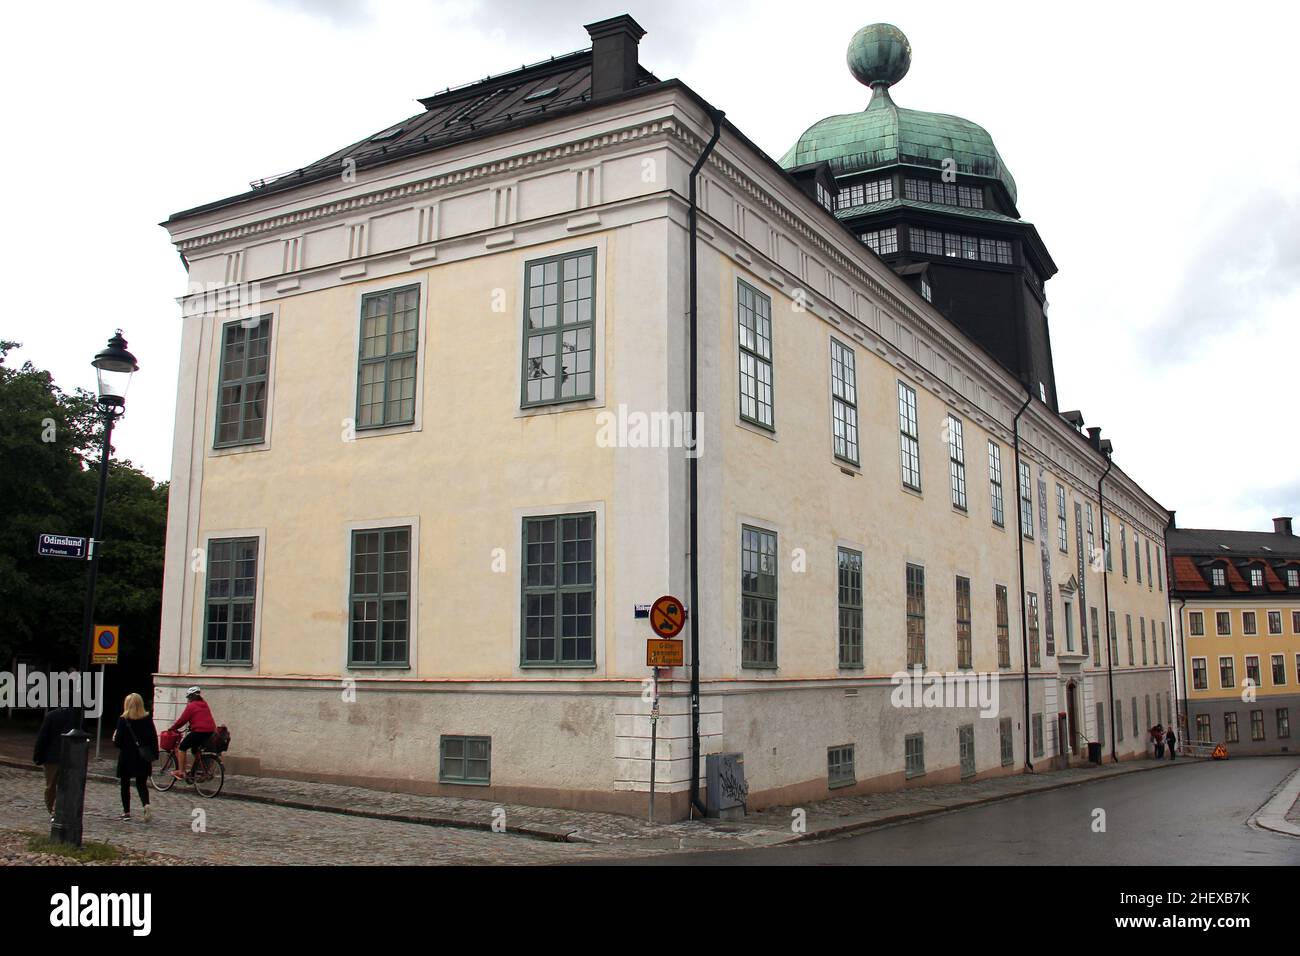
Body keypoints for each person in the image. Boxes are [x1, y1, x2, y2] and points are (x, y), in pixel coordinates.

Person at [111, 693, 158, 821]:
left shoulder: (123, 719)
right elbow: (153, 738)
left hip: (127, 756)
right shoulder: (147, 719)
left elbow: (118, 741)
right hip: (142, 756)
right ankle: (146, 804)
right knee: (141, 784)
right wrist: (154, 754)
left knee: (124, 784)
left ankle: (126, 812)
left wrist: (115, 740)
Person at [33, 705, 76, 823]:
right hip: (71, 756)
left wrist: (38, 756)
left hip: (52, 756)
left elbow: (43, 737)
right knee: (67, 785)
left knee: (51, 785)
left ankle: (53, 811)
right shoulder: (77, 716)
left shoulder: (52, 716)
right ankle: (62, 810)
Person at [167, 686, 216, 781]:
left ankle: (181, 772)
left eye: (188, 697)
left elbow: (182, 720)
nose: (188, 699)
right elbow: (202, 717)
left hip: (199, 732)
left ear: (190, 697)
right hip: (210, 731)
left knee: (182, 747)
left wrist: (172, 728)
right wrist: (192, 725)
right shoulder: (204, 704)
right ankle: (201, 770)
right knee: (195, 750)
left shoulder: (191, 706)